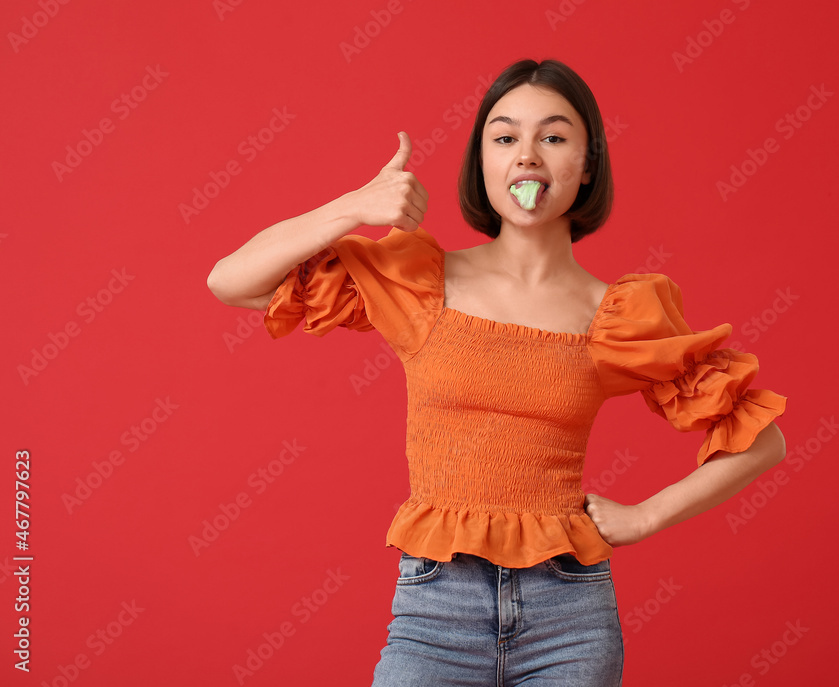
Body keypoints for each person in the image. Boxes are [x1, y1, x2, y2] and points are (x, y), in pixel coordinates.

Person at [207, 58, 787, 687]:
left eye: (555, 137)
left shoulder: (619, 314)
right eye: (505, 137)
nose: (528, 156)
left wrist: (645, 517)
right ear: (482, 164)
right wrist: (353, 207)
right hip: (436, 611)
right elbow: (231, 282)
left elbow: (762, 439)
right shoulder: (421, 282)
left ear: (587, 166)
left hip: (570, 616)